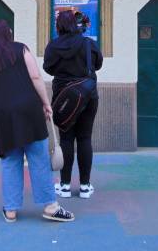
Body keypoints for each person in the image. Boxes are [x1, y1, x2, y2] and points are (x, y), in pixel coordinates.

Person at [0, 20, 74, 223]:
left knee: (10, 162)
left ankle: (10, 210)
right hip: (29, 111)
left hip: (3, 117)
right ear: (7, 34)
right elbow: (35, 77)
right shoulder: (21, 50)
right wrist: (46, 103)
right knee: (39, 159)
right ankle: (50, 207)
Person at [43, 10, 103, 199]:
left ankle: (65, 186)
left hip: (63, 98)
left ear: (59, 26)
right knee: (85, 138)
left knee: (66, 139)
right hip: (88, 95)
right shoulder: (89, 44)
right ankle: (85, 186)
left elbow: (47, 68)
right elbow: (98, 64)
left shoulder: (53, 45)